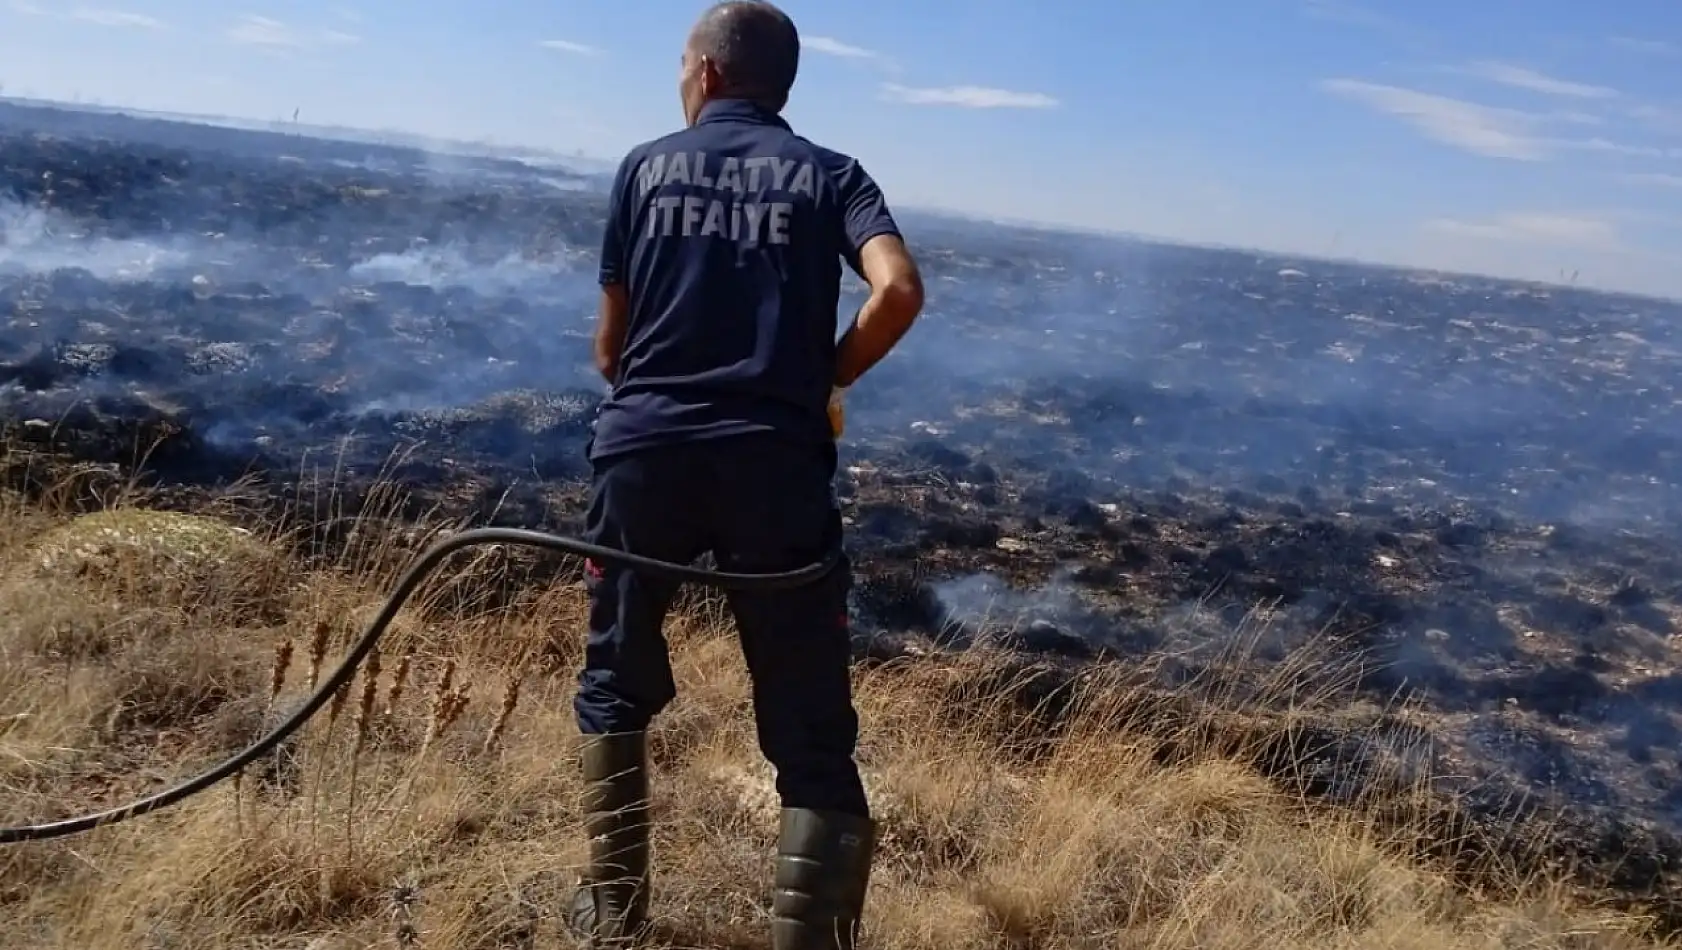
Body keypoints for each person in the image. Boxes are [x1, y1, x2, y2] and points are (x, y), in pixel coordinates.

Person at [566, 2, 926, 947]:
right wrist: (829, 372)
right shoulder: (833, 175)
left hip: (644, 459)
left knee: (614, 682)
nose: (680, 81)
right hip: (776, 470)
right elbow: (899, 289)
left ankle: (615, 916)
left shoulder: (643, 168)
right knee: (810, 728)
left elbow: (610, 350)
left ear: (711, 74)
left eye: (683, 66)